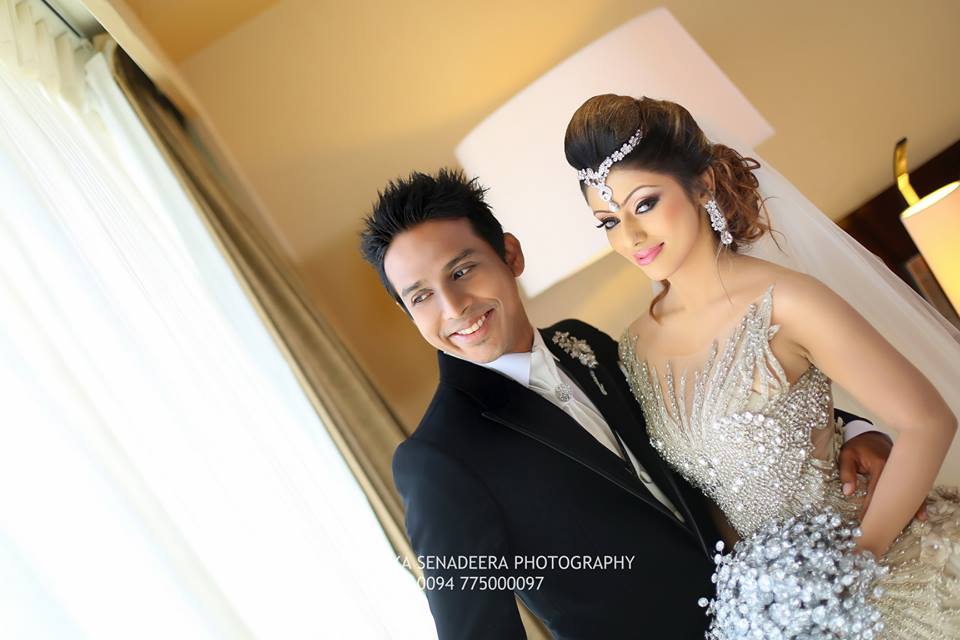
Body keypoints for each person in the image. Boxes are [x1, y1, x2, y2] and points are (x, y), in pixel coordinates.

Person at [358, 169, 898, 639]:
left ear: (510, 254)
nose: (454, 307)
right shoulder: (438, 459)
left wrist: (853, 431)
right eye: (421, 296)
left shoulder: (582, 342)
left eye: (461, 271)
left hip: (786, 610)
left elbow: (707, 419)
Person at [563, 94, 960, 637]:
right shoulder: (635, 346)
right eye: (608, 221)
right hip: (778, 614)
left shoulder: (787, 303)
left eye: (646, 204)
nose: (630, 237)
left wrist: (854, 567)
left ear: (702, 185)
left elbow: (928, 422)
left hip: (894, 572)